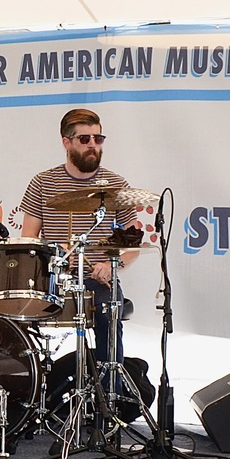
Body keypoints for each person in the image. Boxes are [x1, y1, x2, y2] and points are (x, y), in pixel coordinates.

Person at [17, 107, 139, 367]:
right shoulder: (43, 183)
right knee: (12, 311)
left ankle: (109, 393)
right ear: (66, 142)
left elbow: (134, 246)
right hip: (53, 282)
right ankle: (31, 394)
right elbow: (28, 241)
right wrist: (53, 253)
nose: (93, 145)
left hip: (97, 283)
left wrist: (112, 266)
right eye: (85, 139)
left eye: (98, 138)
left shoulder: (115, 185)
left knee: (109, 311)